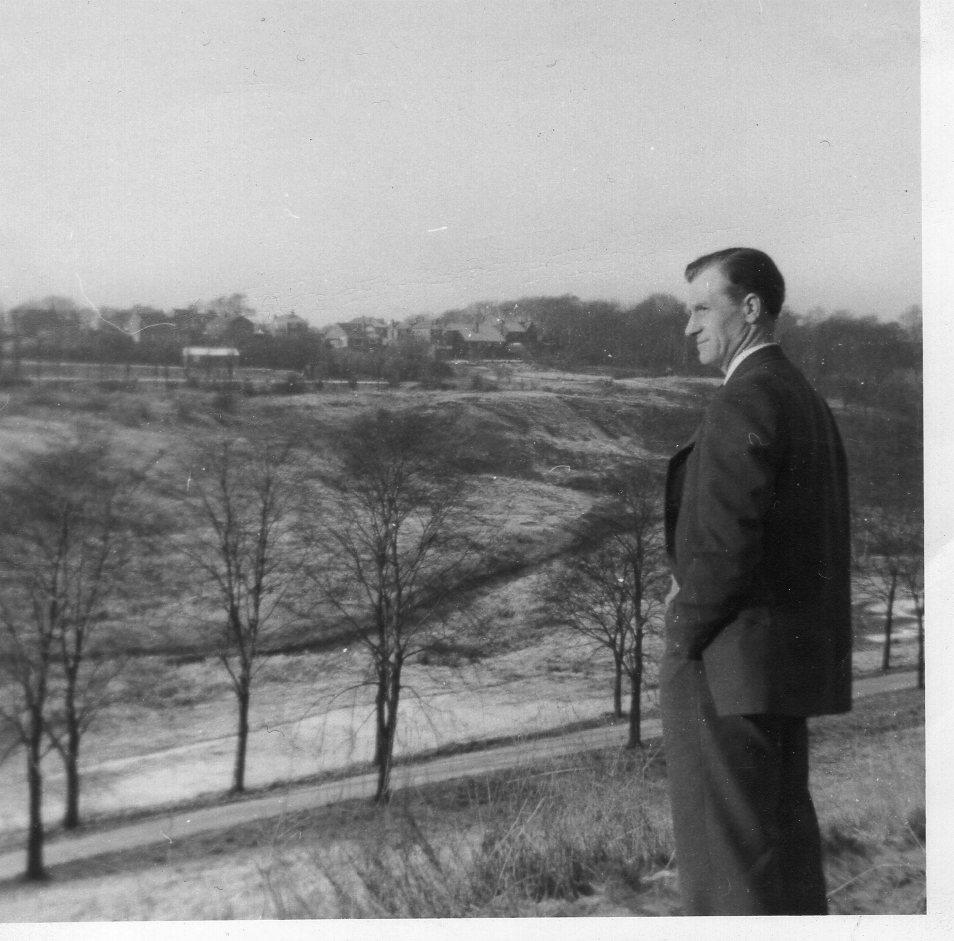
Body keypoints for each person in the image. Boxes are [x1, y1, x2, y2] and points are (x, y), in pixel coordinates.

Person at [661, 247, 852, 915]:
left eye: (700, 308)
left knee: (729, 873)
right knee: (782, 860)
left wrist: (681, 632)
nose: (689, 327)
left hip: (728, 668)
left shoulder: (747, 399)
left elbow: (725, 547)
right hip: (776, 668)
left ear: (749, 309)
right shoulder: (801, 396)